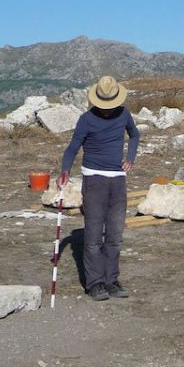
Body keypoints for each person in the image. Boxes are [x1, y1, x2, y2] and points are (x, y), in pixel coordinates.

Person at [59, 76, 140, 302]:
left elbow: (135, 134)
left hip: (118, 180)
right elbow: (72, 148)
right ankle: (95, 283)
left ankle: (111, 280)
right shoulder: (86, 119)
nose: (107, 109)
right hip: (93, 179)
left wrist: (130, 158)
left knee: (115, 234)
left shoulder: (124, 114)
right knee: (93, 236)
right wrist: (65, 170)